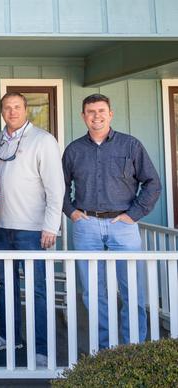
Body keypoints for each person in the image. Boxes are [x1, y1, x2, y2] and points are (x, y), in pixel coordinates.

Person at [63, 93, 160, 349]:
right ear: (83, 116)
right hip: (87, 225)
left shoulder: (131, 145)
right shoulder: (74, 150)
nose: (97, 116)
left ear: (110, 114)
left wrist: (133, 215)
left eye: (101, 111)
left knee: (133, 291)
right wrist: (71, 212)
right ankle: (102, 350)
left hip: (123, 225)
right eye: (91, 112)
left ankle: (133, 349)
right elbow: (58, 187)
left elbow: (153, 183)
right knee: (93, 293)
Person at [0, 92, 64, 366]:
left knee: (37, 289)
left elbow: (56, 188)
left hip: (32, 229)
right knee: (5, 285)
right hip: (0, 226)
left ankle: (42, 347)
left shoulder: (43, 140)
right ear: (2, 111)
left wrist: (50, 226)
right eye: (7, 107)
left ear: (26, 109)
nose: (12, 111)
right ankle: (9, 336)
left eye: (17, 107)